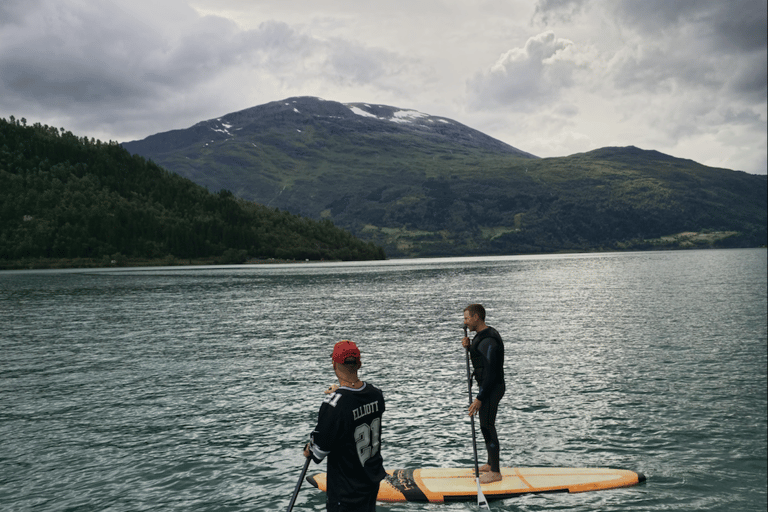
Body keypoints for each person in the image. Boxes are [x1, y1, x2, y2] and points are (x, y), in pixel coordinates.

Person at [304, 340, 386, 511]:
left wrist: (308, 448)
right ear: (359, 364)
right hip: (371, 481)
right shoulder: (376, 395)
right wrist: (340, 391)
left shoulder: (334, 405)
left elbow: (317, 453)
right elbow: (355, 401)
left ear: (334, 364)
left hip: (346, 492)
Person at [461, 304, 506, 484]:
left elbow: (492, 372)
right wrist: (470, 346)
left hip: (491, 388)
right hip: (487, 387)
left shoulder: (489, 340)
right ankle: (490, 463)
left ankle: (495, 471)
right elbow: (481, 357)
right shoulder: (482, 337)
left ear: (476, 317)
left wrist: (480, 398)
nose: (464, 322)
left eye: (466, 318)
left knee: (488, 426)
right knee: (484, 425)